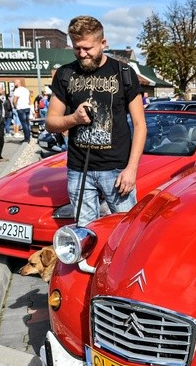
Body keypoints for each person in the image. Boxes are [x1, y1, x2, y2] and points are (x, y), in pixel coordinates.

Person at [45, 15, 146, 227]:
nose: (82, 54)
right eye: (77, 48)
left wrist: (131, 169)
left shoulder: (124, 73)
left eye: (88, 48)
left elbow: (140, 125)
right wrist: (74, 118)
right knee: (85, 233)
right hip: (79, 170)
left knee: (125, 230)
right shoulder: (65, 74)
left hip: (116, 170)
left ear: (103, 43)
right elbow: (51, 122)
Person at [12, 79, 32, 143]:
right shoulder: (26, 90)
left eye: (14, 82)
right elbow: (29, 100)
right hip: (27, 107)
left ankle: (27, 138)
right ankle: (28, 137)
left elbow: (14, 100)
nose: (14, 83)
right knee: (27, 123)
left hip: (21, 108)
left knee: (24, 124)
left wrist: (16, 107)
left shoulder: (17, 90)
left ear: (18, 83)